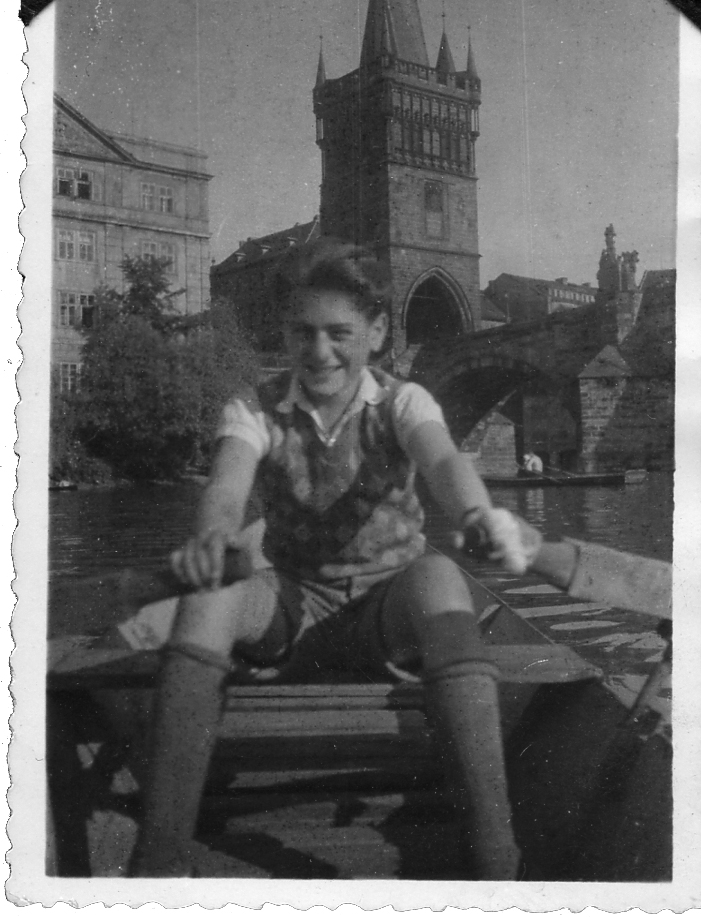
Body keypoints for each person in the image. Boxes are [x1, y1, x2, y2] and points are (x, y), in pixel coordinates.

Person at [129, 239, 539, 879]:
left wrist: (478, 515)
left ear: (376, 333)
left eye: (340, 333)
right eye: (303, 332)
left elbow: (442, 461)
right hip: (287, 608)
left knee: (439, 572)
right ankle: (160, 857)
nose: (320, 352)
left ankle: (494, 851)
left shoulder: (404, 401)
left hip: (388, 612)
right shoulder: (253, 408)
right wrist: (213, 535)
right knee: (207, 593)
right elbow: (227, 486)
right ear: (286, 333)